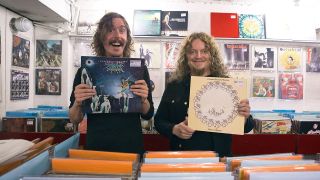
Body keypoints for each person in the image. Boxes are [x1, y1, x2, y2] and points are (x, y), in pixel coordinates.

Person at [154, 32, 254, 157]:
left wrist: (244, 118)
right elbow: (159, 121)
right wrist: (174, 129)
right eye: (192, 51)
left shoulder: (227, 85)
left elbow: (248, 126)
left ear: (212, 55)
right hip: (182, 158)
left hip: (218, 160)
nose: (198, 56)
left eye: (204, 51)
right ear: (186, 56)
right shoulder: (174, 85)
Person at [69, 12, 154, 155]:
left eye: (122, 30)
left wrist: (144, 100)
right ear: (101, 38)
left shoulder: (139, 70)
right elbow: (74, 118)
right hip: (97, 149)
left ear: (127, 38)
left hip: (131, 149)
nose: (117, 35)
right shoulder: (86, 71)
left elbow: (148, 114)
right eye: (110, 30)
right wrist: (77, 103)